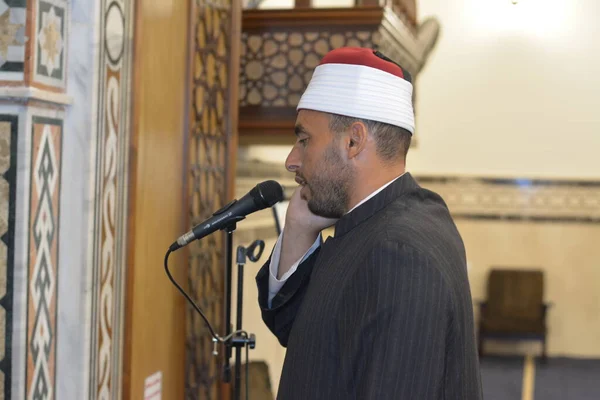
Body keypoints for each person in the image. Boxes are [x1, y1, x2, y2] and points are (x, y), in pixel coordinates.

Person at [255, 47, 483, 399]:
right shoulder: (380, 222)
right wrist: (299, 228)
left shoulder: (399, 251)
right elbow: (302, 335)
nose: (292, 160)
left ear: (353, 141)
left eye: (304, 140)